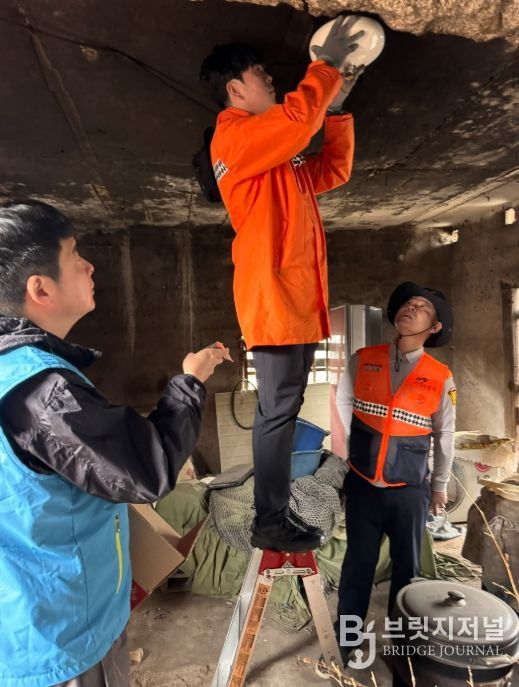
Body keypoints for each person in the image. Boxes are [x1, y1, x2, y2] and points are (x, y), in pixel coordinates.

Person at [0, 200, 230, 687]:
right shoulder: (43, 392)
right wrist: (190, 381)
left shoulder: (11, 372)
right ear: (40, 288)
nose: (89, 266)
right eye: (74, 255)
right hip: (63, 636)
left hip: (21, 618)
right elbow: (148, 468)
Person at [200, 17, 363, 552]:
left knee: (283, 409)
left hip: (291, 297)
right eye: (260, 73)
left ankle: (274, 512)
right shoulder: (233, 137)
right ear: (235, 90)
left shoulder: (272, 157)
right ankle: (270, 519)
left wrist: (335, 114)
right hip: (273, 297)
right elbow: (295, 122)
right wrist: (327, 67)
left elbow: (331, 171)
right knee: (278, 411)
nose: (270, 79)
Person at [335, 281, 456, 660]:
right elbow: (343, 400)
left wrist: (439, 485)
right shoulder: (363, 358)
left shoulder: (441, 376)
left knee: (408, 571)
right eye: (408, 303)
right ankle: (346, 644)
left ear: (434, 327)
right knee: (357, 566)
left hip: (409, 490)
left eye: (422, 307)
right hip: (363, 485)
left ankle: (405, 649)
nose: (411, 308)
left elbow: (445, 434)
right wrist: (356, 446)